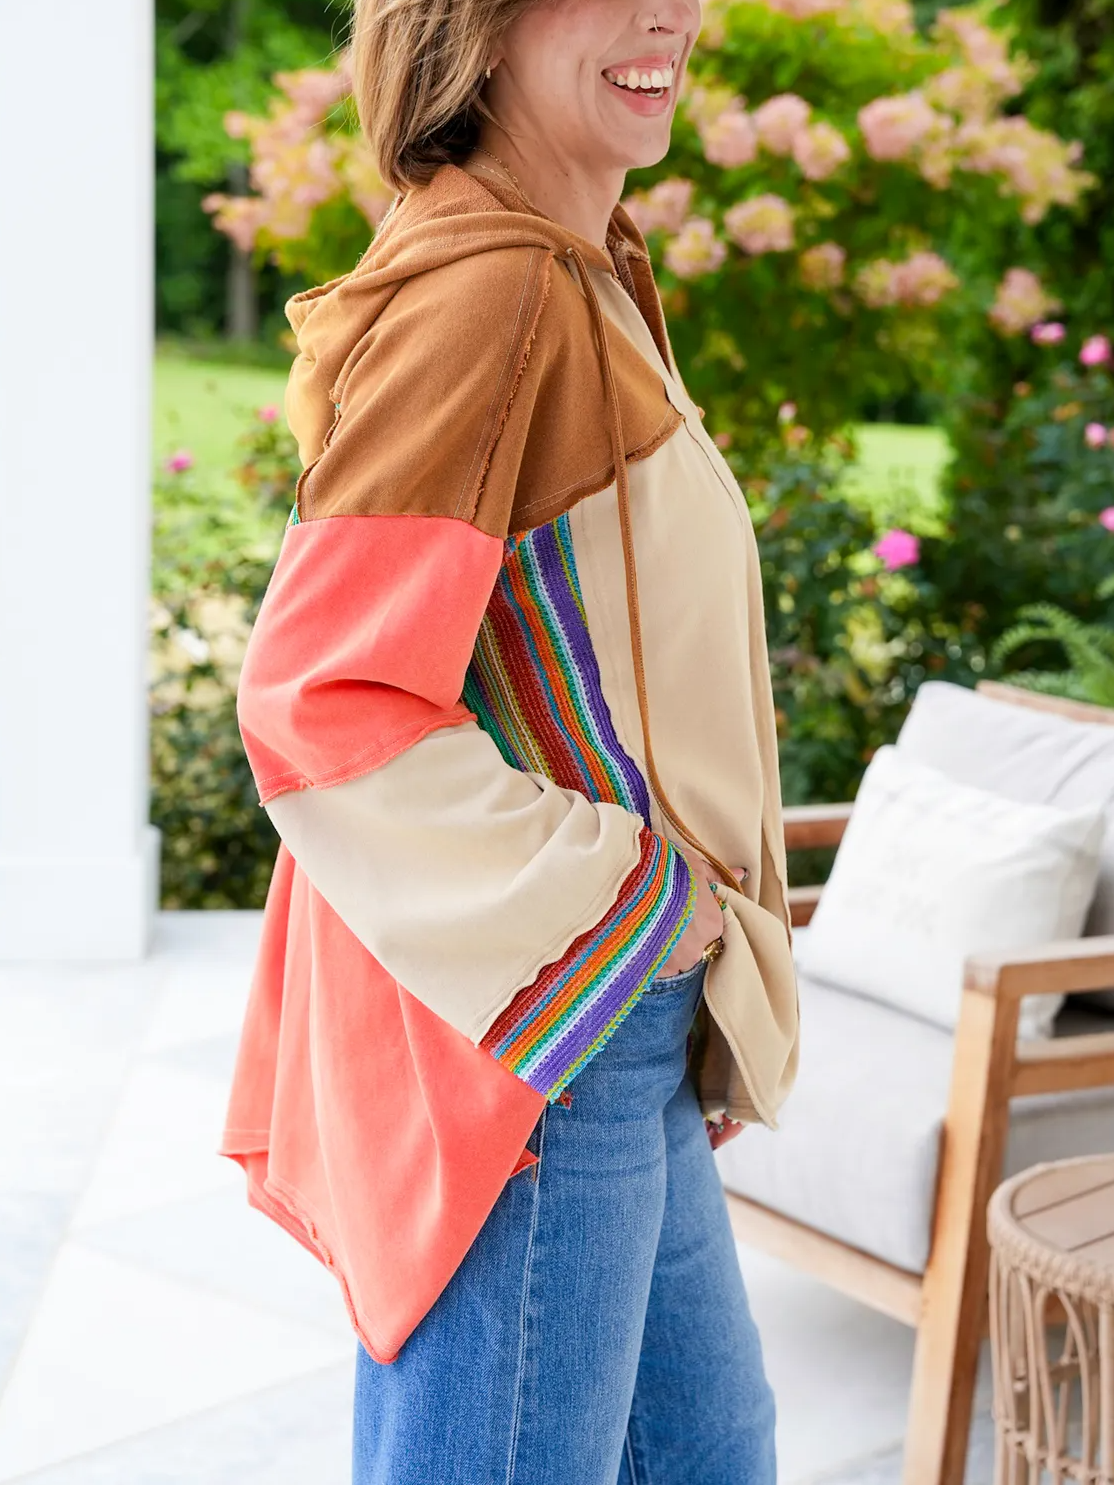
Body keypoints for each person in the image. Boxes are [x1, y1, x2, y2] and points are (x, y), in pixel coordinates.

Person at [220, 0, 801, 1477]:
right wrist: (642, 909)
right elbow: (322, 699)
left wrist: (682, 957)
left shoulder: (577, 273)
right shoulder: (495, 292)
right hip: (549, 1029)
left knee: (711, 1453)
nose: (668, 15)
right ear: (474, 27)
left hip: (610, 1012)